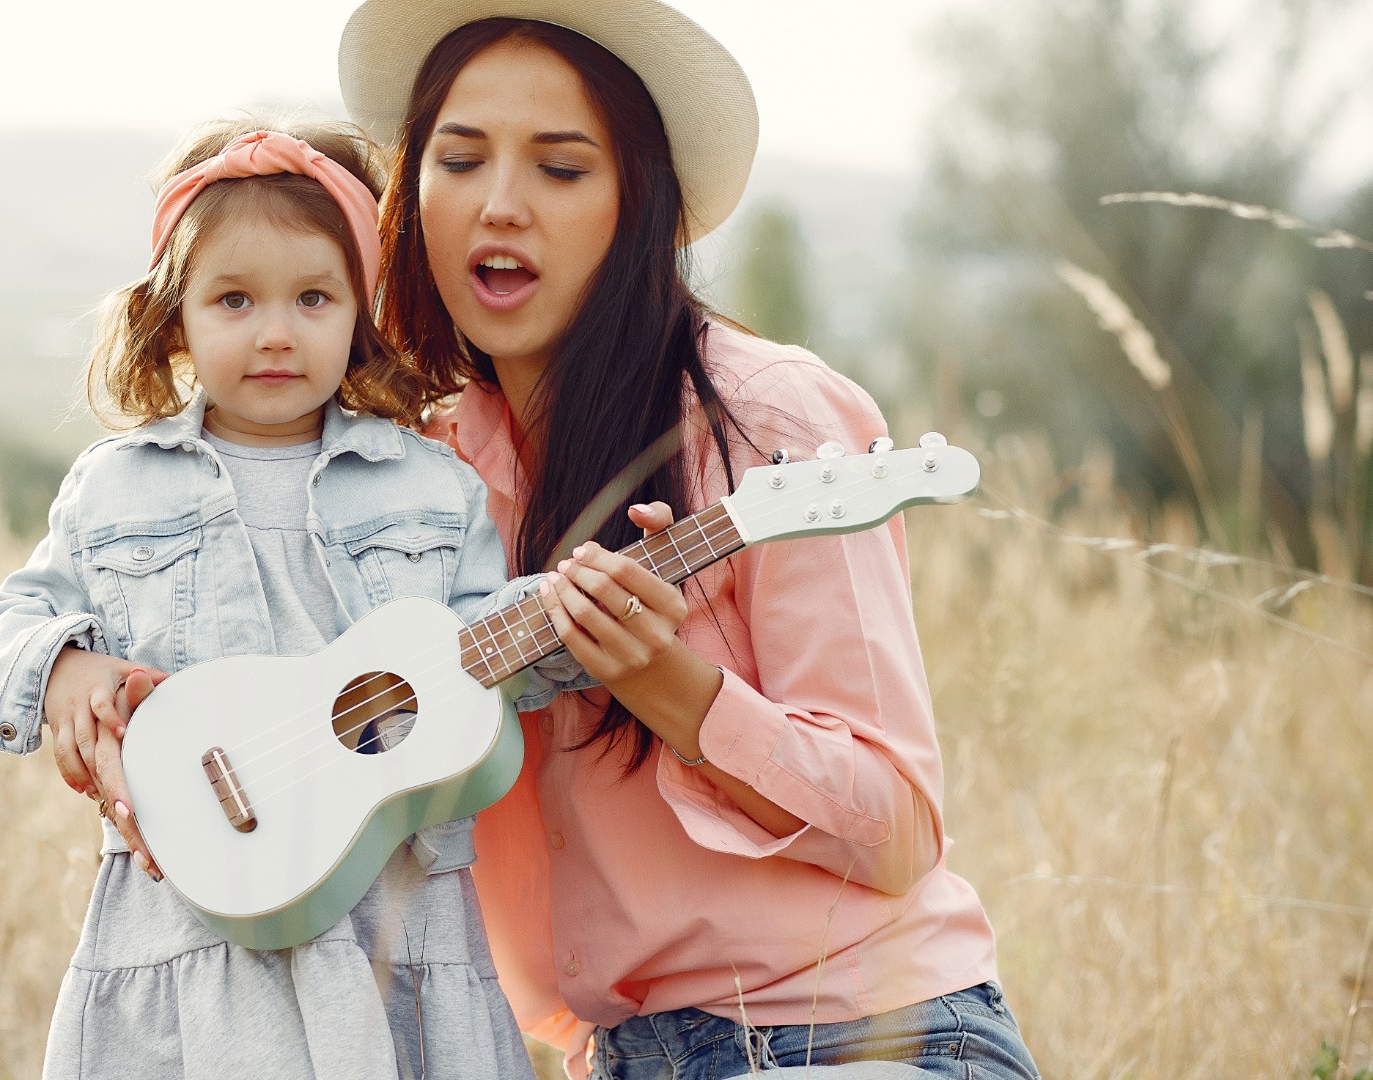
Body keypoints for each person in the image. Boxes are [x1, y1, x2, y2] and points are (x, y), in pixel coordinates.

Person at [325, 3, 1047, 1078]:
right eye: (460, 159)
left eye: (562, 170)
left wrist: (673, 691)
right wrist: (88, 682)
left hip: (866, 1035)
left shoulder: (772, 420)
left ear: (639, 201)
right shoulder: (417, 477)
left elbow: (897, 831)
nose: (501, 205)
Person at [0, 117, 570, 1080]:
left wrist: (578, 614)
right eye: (235, 300)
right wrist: (63, 667)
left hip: (391, 920)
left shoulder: (429, 488)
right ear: (175, 319)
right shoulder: (116, 487)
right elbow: (13, 615)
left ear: (359, 313)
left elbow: (487, 658)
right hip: (185, 926)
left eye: (313, 298)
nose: (277, 332)